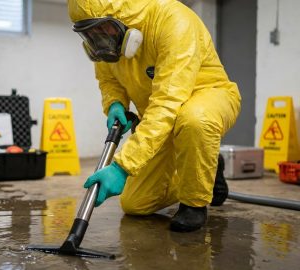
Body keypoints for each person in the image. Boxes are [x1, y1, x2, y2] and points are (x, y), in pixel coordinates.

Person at [68, 0, 241, 232]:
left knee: (193, 119)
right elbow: (108, 79)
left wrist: (122, 166)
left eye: (100, 28)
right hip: (159, 112)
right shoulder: (110, 40)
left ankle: (194, 204)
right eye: (89, 32)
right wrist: (115, 104)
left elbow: (168, 102)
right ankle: (205, 168)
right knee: (135, 204)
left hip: (208, 97)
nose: (97, 37)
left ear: (121, 17)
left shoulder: (174, 21)